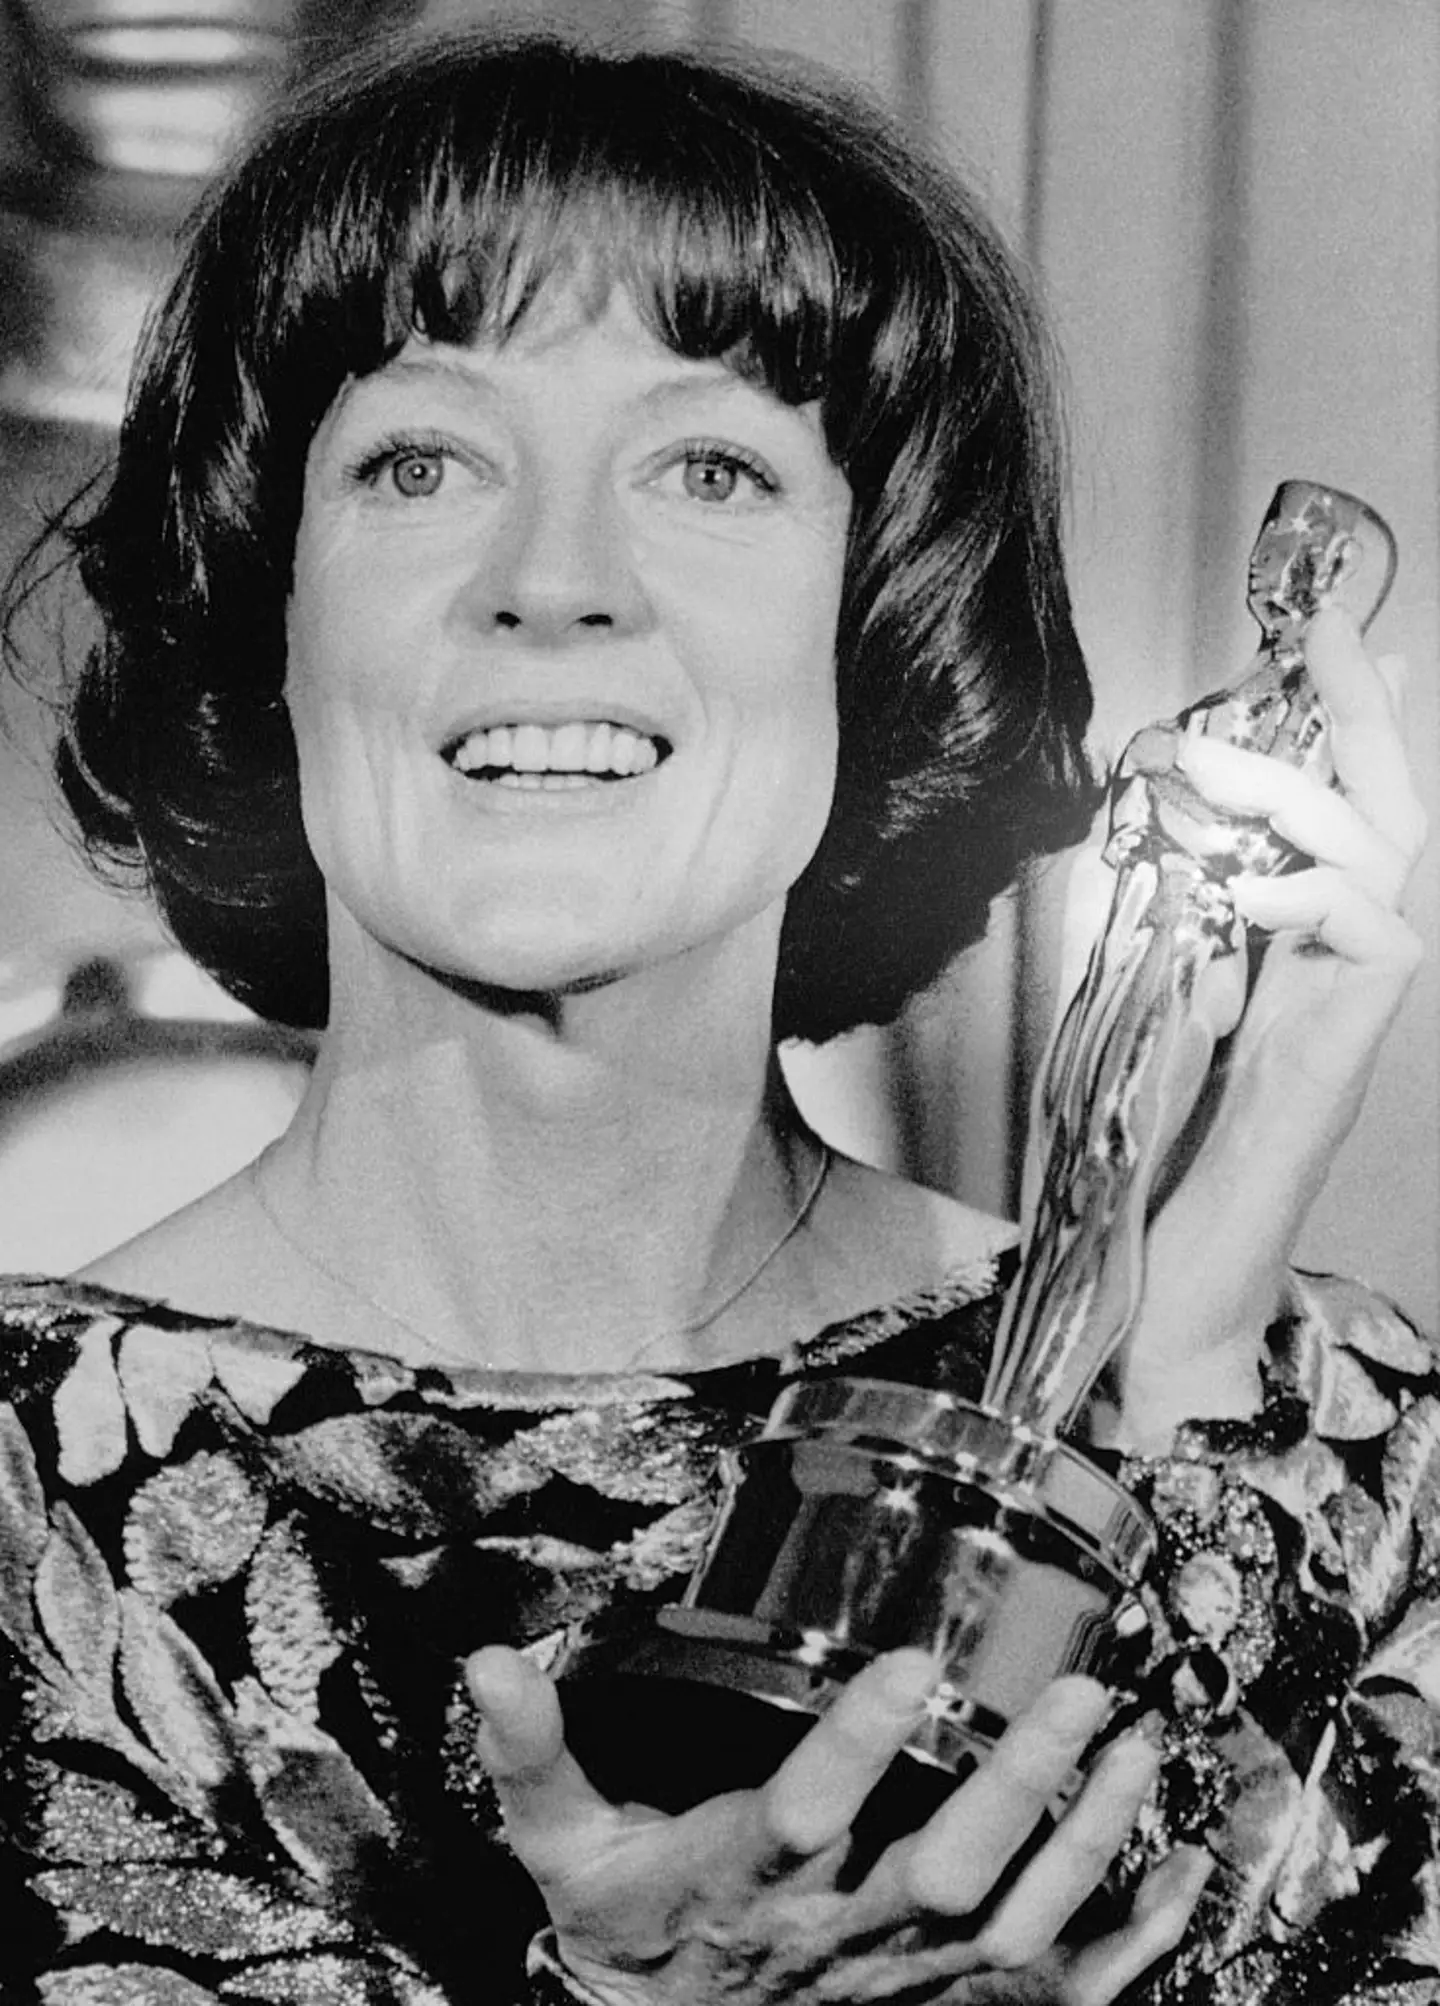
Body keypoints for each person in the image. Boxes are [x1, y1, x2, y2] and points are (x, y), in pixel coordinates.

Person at [0, 28, 1432, 2006]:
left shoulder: (1330, 1441)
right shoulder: (14, 1520)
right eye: (421, 459)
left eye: (709, 466)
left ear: (876, 637)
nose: (558, 578)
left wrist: (1172, 1375)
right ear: (270, 614)